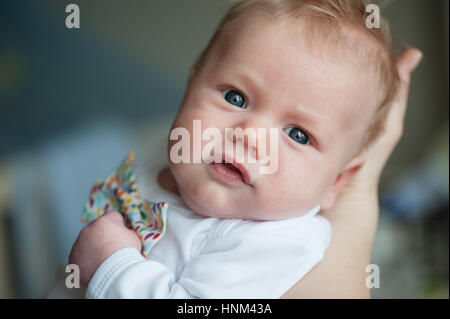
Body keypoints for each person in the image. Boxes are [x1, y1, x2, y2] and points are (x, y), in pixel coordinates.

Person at [64, 0, 423, 298]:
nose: (251, 135)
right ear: (190, 88)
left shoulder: (275, 242)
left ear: (336, 183)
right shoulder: (167, 154)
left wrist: (111, 264)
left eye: (298, 135)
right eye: (235, 97)